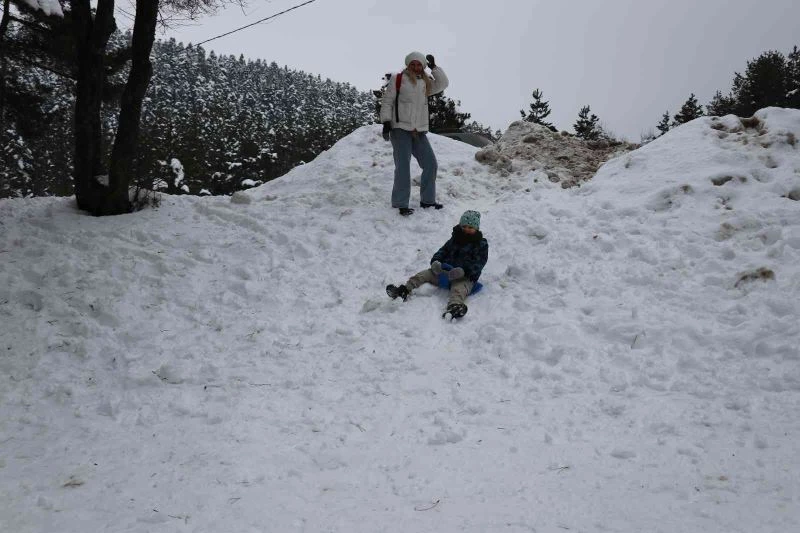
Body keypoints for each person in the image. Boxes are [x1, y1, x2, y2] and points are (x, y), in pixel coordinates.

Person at [380, 51, 449, 216]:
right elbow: (387, 101)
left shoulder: (425, 84)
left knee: (431, 164)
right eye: (413, 64)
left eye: (419, 64)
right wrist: (386, 122)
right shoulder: (398, 80)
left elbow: (443, 83)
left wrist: (434, 68)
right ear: (408, 64)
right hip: (400, 129)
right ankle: (400, 203)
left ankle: (428, 201)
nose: (416, 67)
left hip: (418, 131)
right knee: (403, 167)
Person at [386, 210, 488, 319]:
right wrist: (436, 261)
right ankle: (404, 290)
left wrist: (464, 271)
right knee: (423, 274)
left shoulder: (480, 244)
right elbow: (442, 251)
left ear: (476, 228)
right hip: (445, 272)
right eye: (464, 226)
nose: (466, 229)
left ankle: (455, 306)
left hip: (464, 277)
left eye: (470, 227)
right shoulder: (454, 239)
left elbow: (479, 263)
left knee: (458, 289)